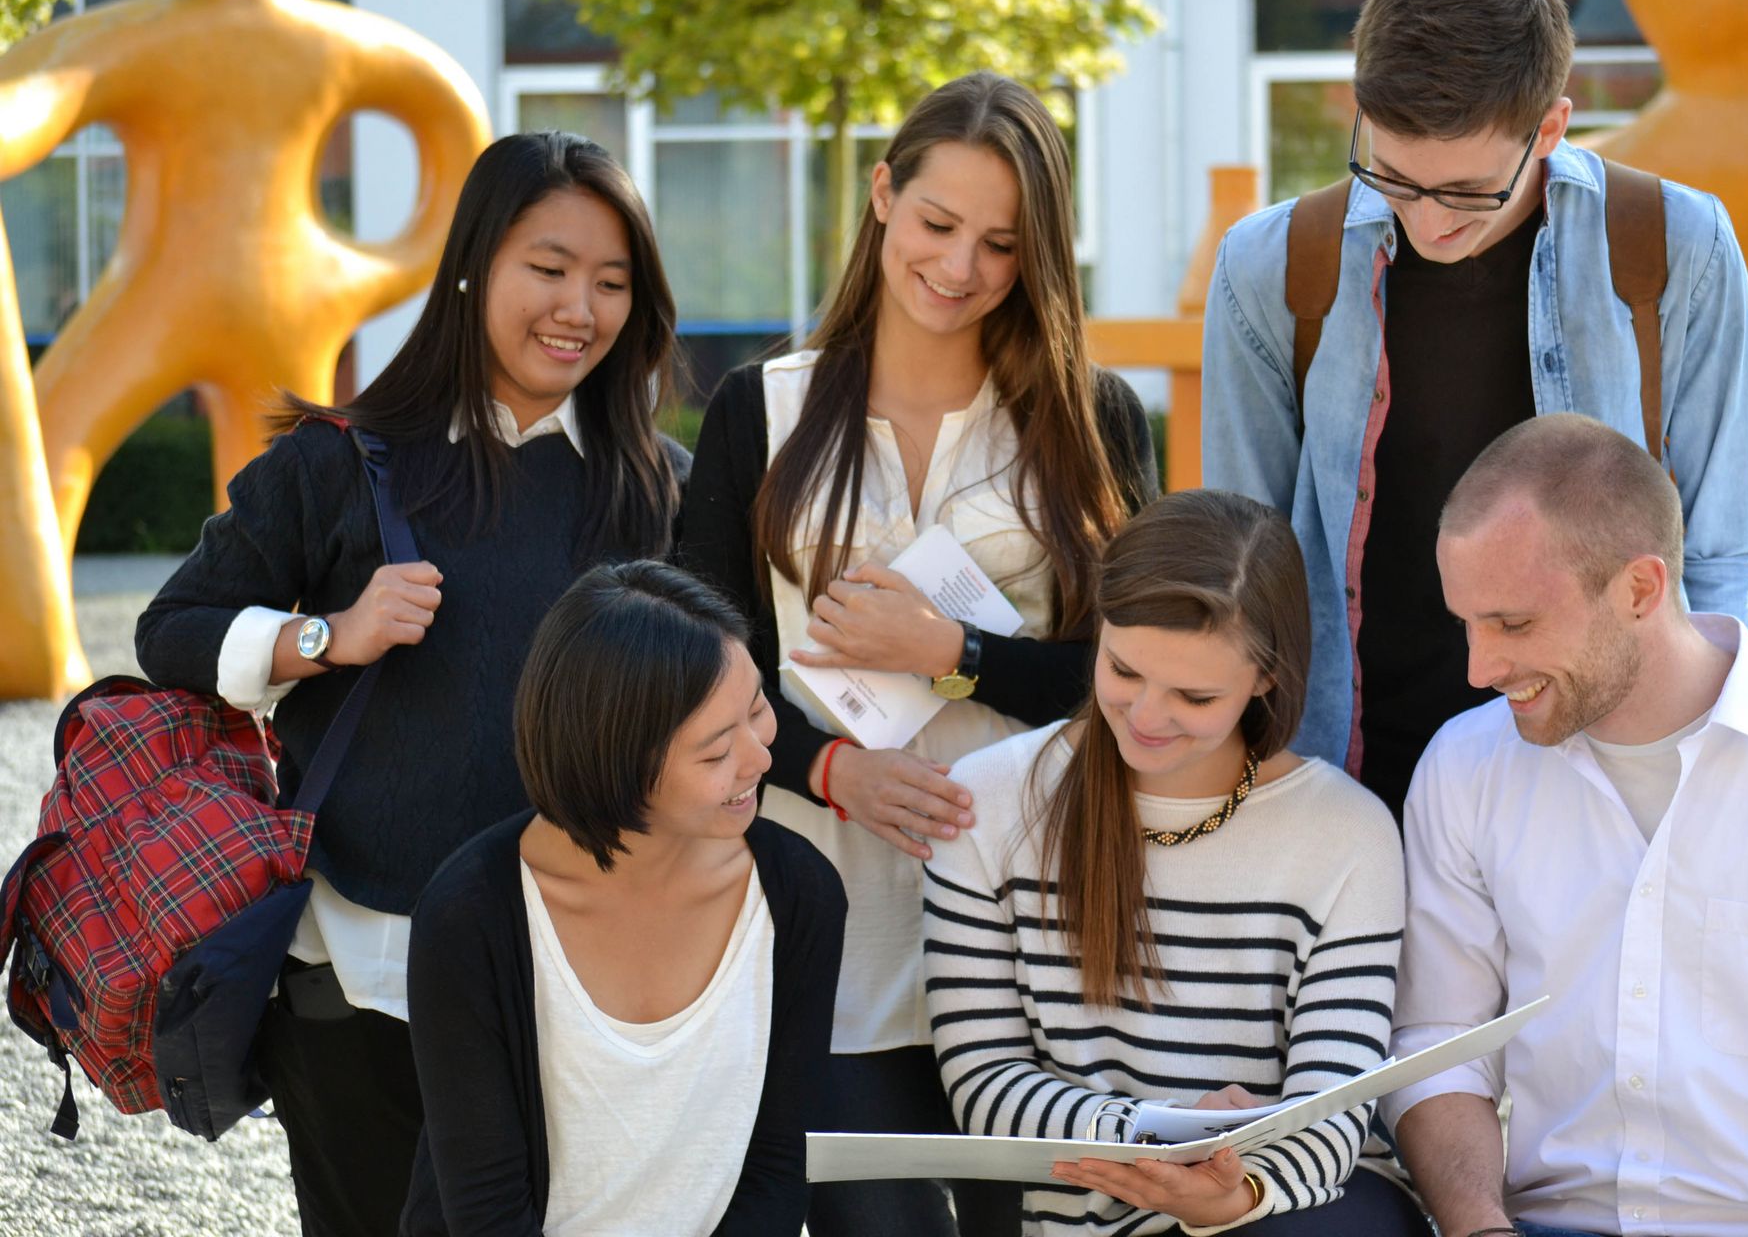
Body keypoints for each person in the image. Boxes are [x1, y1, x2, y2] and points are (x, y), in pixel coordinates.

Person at [133, 130, 689, 1236]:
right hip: (355, 967)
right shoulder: (344, 458)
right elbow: (173, 628)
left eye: (613, 281)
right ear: (477, 263)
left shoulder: (661, 490)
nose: (580, 305)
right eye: (550, 266)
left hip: (582, 977)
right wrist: (326, 637)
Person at [677, 70, 1158, 1236]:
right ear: (883, 196)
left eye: (1001, 243)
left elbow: (1136, 677)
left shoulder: (1090, 420)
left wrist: (954, 652)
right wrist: (835, 771)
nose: (960, 267)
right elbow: (689, 667)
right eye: (939, 224)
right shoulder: (761, 410)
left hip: (1035, 923)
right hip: (829, 921)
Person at [1200, 0, 1748, 819]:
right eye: (1392, 175)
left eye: (1468, 190)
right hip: (1351, 770)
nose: (1428, 221)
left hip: (1612, 770)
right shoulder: (1271, 263)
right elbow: (1241, 555)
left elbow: (1722, 555)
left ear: (1550, 130)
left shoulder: (1672, 244)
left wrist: (1710, 770)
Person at [1385, 414, 1748, 1237]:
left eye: (1514, 624)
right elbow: (1438, 1045)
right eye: (1468, 622)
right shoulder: (1464, 769)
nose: (1479, 669)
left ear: (1640, 589)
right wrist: (1479, 1227)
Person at [924, 490, 1426, 1237]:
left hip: (1283, 1214)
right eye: (1123, 672)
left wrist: (1234, 1194)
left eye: (1194, 695)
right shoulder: (987, 801)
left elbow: (1334, 1107)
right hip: (1080, 1214)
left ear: (1265, 678)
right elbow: (984, 1084)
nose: (1148, 717)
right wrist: (1157, 1132)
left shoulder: (1347, 833)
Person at [402, 560, 846, 1236]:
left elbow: (778, 1172)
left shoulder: (799, 895)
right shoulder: (472, 914)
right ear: (615, 763)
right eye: (717, 750)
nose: (759, 758)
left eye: (758, 709)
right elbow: (485, 1209)